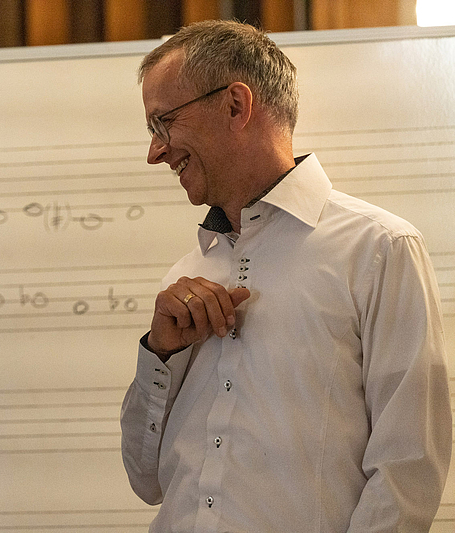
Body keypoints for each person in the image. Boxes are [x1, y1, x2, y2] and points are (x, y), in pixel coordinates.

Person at [120, 20, 451, 532]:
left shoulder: (380, 249)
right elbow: (145, 480)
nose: (155, 152)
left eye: (163, 123)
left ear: (236, 105)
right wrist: (158, 353)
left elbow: (407, 472)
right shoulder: (187, 273)